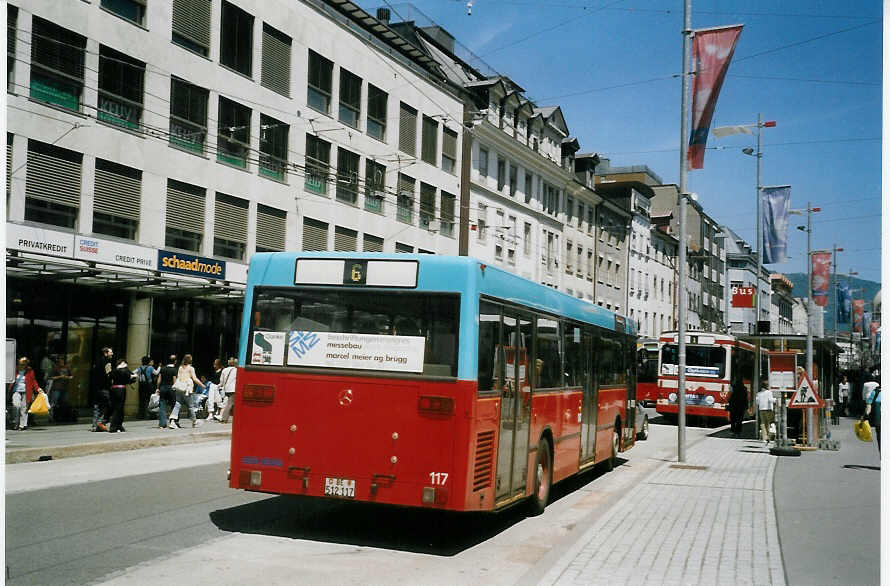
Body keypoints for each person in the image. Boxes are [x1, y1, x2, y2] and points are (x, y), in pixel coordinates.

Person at [167, 354, 205, 429]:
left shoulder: (180, 368)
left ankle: (172, 421)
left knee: (177, 405)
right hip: (187, 389)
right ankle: (194, 421)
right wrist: (202, 385)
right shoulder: (191, 368)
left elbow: (178, 377)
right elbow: (194, 378)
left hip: (179, 388)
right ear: (190, 360)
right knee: (190, 406)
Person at [9, 357, 41, 430]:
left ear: (26, 365)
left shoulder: (30, 371)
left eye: (23, 364)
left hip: (27, 392)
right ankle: (15, 422)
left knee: (24, 409)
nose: (21, 366)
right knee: (16, 406)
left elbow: (33, 381)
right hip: (16, 391)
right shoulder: (14, 370)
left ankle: (22, 425)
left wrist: (38, 388)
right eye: (20, 364)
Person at [107, 358, 135, 433]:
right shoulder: (126, 370)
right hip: (121, 389)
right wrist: (132, 377)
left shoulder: (114, 370)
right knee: (119, 408)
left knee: (116, 407)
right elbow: (131, 379)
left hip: (113, 389)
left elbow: (109, 378)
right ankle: (114, 426)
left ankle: (118, 426)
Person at [90, 347, 114, 432]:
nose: (112, 354)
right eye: (110, 352)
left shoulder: (96, 362)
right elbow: (109, 375)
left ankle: (94, 425)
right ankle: (101, 423)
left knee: (97, 406)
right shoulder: (107, 363)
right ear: (105, 353)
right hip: (104, 388)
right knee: (108, 406)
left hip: (96, 388)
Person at [155, 355, 178, 429]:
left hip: (163, 388)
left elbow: (159, 380)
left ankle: (162, 423)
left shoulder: (163, 368)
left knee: (162, 405)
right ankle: (173, 421)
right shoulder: (174, 370)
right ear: (175, 361)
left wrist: (158, 388)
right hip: (171, 388)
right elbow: (174, 380)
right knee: (174, 405)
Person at [48, 355, 73, 419]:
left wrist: (67, 377)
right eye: (60, 361)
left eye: (62, 361)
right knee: (54, 402)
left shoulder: (67, 367)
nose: (61, 362)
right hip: (57, 388)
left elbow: (71, 376)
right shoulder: (56, 367)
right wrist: (60, 377)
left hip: (65, 387)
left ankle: (62, 416)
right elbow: (51, 377)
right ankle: (51, 416)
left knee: (64, 402)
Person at [218, 357, 238, 423]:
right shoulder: (236, 370)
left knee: (229, 403)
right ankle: (224, 418)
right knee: (230, 404)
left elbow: (221, 381)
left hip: (227, 389)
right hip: (233, 389)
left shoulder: (224, 370)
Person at [863, 383, 881, 452]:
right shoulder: (875, 392)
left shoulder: (875, 392)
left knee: (880, 440)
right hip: (879, 422)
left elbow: (868, 406)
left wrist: (865, 417)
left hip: (878, 422)